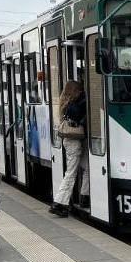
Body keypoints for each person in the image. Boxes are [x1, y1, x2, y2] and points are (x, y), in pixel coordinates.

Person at [50, 81, 89, 217]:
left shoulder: (66, 103)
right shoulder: (73, 105)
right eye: (80, 90)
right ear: (75, 92)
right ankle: (59, 203)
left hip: (72, 141)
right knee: (71, 174)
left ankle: (85, 196)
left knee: (88, 167)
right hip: (74, 143)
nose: (81, 92)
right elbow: (80, 112)